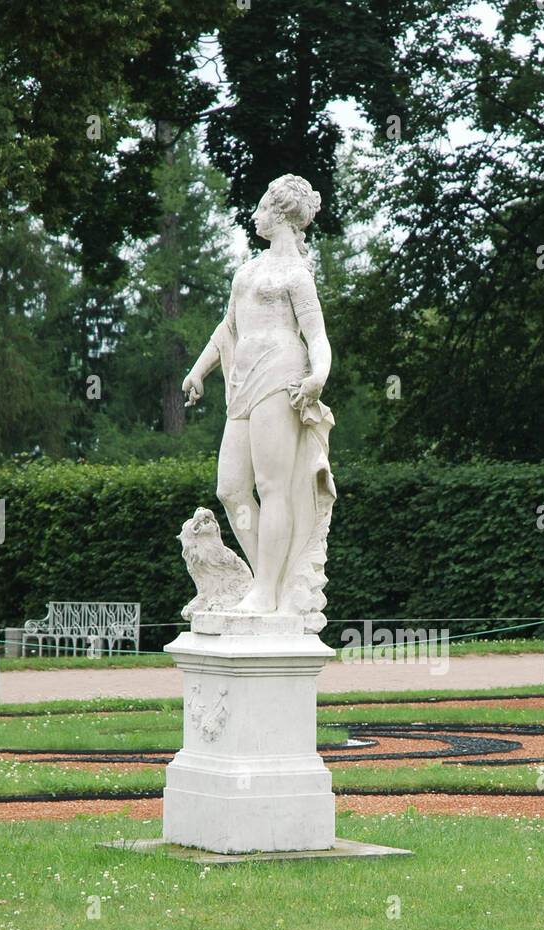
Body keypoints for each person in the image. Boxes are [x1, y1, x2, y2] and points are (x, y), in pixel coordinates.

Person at [181, 174, 335, 626]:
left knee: (272, 486)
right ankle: (272, 578)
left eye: (262, 207)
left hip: (281, 375)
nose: (255, 214)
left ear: (282, 213)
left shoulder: (296, 276)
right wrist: (198, 369)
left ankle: (267, 591)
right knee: (230, 488)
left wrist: (318, 377)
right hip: (241, 382)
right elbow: (227, 329)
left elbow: (317, 337)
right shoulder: (246, 271)